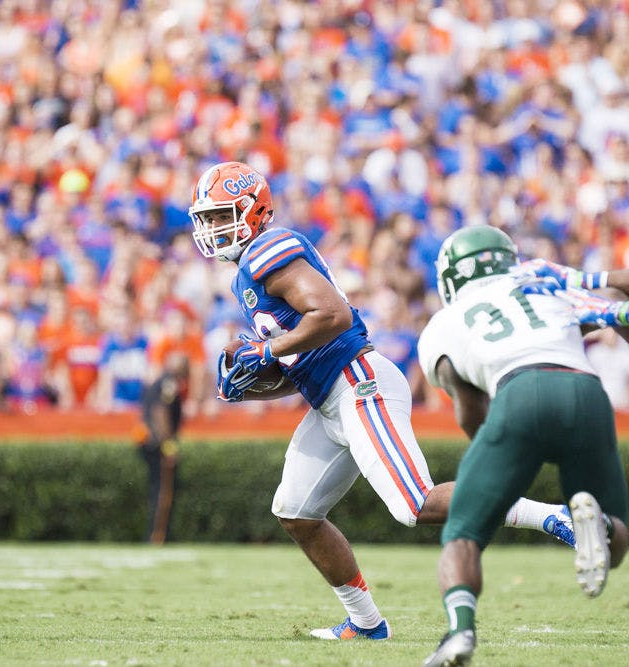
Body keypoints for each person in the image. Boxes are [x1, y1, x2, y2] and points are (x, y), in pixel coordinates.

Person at [189, 161, 575, 641]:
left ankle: (552, 515)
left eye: (220, 215)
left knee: (414, 502)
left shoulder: (269, 248)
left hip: (358, 383)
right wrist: (256, 381)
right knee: (295, 512)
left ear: (253, 210)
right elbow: (301, 363)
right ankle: (367, 623)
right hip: (329, 395)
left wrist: (264, 348)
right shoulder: (247, 273)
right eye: (205, 218)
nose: (211, 228)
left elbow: (330, 316)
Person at [418, 229, 629, 666]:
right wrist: (592, 279)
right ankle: (600, 530)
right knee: (618, 541)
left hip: (518, 393)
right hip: (587, 392)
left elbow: (470, 409)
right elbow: (620, 314)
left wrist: (494, 462)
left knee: (463, 533)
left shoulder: (444, 322)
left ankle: (460, 633)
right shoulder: (546, 290)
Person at [136, 351, 188, 545]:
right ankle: (157, 536)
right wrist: (168, 445)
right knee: (163, 491)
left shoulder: (161, 381)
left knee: (160, 489)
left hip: (150, 441)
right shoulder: (169, 383)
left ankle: (158, 534)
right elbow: (160, 412)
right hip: (156, 444)